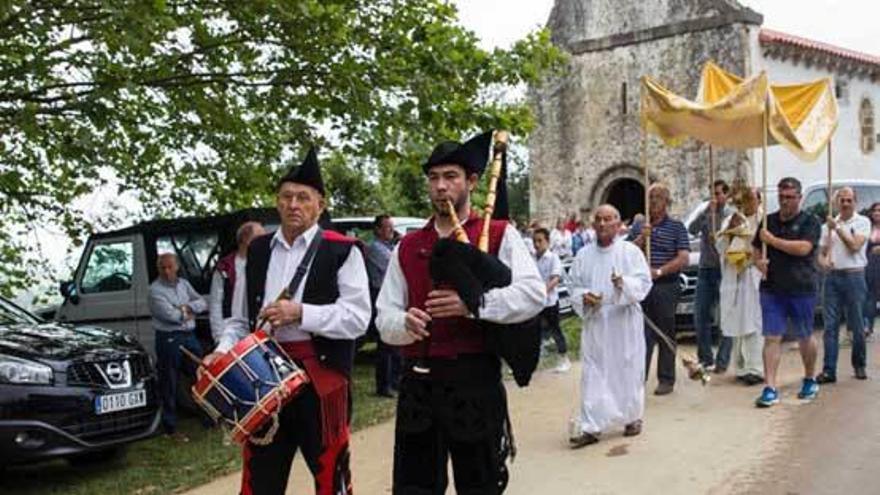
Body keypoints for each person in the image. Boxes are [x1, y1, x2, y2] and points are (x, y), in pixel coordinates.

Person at [376, 131, 544, 494]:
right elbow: (383, 316)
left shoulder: (498, 234)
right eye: (434, 178)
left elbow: (532, 295)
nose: (441, 186)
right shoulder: (408, 246)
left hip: (474, 379)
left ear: (471, 181)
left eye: (450, 177)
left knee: (479, 486)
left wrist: (475, 305)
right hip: (418, 384)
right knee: (415, 487)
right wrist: (405, 323)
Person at [205, 148, 371, 495]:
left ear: (320, 205)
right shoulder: (259, 250)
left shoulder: (343, 250)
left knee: (331, 480)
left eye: (303, 198)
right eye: (286, 197)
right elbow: (239, 320)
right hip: (263, 381)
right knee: (260, 480)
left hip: (321, 381)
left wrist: (301, 313)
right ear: (277, 202)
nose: (294, 204)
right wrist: (221, 353)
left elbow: (357, 319)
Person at [568, 204, 652, 448]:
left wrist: (622, 284)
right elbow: (573, 285)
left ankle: (631, 417)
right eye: (598, 220)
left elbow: (644, 283)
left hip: (623, 323)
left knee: (626, 369)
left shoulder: (630, 252)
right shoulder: (583, 255)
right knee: (594, 373)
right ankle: (591, 426)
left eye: (608, 219)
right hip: (596, 324)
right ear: (593, 224)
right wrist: (584, 296)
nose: (603, 224)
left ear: (618, 224)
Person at [752, 177, 822, 407]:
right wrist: (758, 261)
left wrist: (773, 241)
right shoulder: (768, 221)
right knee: (772, 337)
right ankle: (770, 386)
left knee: (804, 335)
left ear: (799, 198)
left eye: (790, 197)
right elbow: (755, 248)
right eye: (781, 197)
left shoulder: (810, 221)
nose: (784, 201)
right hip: (772, 288)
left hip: (802, 287)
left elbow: (804, 248)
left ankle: (810, 378)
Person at [629, 183, 690, 396]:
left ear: (666, 201)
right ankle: (639, 377)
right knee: (640, 332)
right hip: (641, 287)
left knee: (665, 331)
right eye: (650, 197)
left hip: (665, 285)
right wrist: (641, 238)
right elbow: (626, 253)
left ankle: (666, 379)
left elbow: (683, 257)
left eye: (657, 197)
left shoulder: (677, 227)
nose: (653, 201)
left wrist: (659, 272)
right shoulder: (639, 227)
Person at [149, 253, 208, 441]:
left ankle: (208, 418)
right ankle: (170, 427)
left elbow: (202, 302)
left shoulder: (184, 284)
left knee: (200, 376)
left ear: (177, 267)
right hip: (169, 338)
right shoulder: (155, 290)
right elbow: (171, 316)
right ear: (158, 269)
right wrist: (187, 310)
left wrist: (184, 308)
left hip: (189, 335)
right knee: (169, 381)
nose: (167, 271)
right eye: (162, 268)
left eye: (170, 267)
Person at [817, 187, 870, 383]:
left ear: (855, 202)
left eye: (849, 200)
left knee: (856, 324)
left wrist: (838, 229)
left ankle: (859, 364)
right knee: (830, 326)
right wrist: (824, 264)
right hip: (832, 278)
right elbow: (821, 254)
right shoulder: (826, 227)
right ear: (836, 202)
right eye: (842, 200)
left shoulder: (863, 222)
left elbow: (855, 246)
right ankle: (829, 370)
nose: (845, 204)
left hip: (854, 277)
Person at [716, 186, 764, 385]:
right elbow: (719, 245)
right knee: (736, 320)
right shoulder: (732, 218)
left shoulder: (764, 220)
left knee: (754, 322)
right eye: (743, 199)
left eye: (750, 198)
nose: (746, 203)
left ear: (759, 200)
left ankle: (756, 368)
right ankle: (741, 368)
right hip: (734, 276)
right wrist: (728, 232)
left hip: (753, 276)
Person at [688, 180, 732, 373]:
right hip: (705, 269)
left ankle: (723, 360)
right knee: (700, 315)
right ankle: (705, 358)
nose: (715, 197)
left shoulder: (731, 215)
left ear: (726, 195)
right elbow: (692, 229)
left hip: (724, 270)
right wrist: (707, 213)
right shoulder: (706, 211)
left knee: (726, 318)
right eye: (712, 194)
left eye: (718, 194)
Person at [209, 221, 265, 344]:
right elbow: (215, 302)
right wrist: (218, 336)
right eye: (260, 237)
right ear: (245, 239)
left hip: (258, 332)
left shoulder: (265, 264)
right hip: (229, 332)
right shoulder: (224, 267)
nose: (264, 241)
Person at [366, 214, 401, 397]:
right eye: (388, 227)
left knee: (395, 342)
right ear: (378, 230)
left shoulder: (389, 246)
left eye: (392, 227)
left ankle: (396, 381)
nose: (392, 231)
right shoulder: (375, 248)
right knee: (385, 344)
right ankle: (384, 385)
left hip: (390, 294)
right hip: (379, 295)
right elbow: (394, 265)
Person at [533, 227, 570, 372]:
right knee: (533, 332)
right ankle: (532, 361)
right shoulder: (531, 258)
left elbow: (555, 279)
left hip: (550, 302)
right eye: (534, 241)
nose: (536, 244)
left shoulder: (553, 258)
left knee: (555, 330)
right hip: (535, 302)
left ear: (547, 242)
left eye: (540, 241)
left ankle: (564, 358)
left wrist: (544, 291)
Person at [864, 202, 880, 337]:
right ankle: (867, 325)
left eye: (879, 211)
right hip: (870, 266)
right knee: (870, 296)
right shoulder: (867, 227)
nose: (877, 213)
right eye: (874, 210)